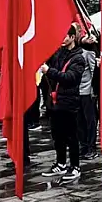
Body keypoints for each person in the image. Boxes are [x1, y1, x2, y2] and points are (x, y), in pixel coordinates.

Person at [40, 25, 85, 183]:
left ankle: (75, 166)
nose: (62, 38)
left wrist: (49, 71)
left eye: (65, 35)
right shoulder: (58, 53)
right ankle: (61, 163)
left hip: (69, 102)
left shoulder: (79, 58)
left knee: (71, 136)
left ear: (73, 38)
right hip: (54, 102)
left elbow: (69, 78)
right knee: (57, 135)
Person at [77, 33, 99, 160]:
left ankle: (91, 147)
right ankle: (83, 145)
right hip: (77, 92)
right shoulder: (74, 53)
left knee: (90, 121)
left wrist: (93, 91)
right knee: (79, 121)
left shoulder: (88, 53)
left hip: (87, 92)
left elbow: (93, 72)